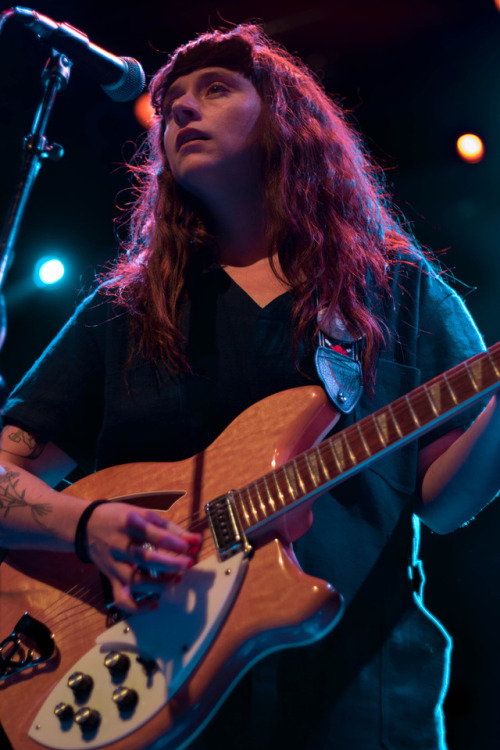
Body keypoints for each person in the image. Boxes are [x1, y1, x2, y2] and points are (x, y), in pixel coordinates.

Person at [0, 23, 499, 750]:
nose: (180, 111)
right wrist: (84, 526)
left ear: (285, 120)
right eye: (170, 104)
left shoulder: (394, 288)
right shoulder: (128, 310)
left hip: (358, 700)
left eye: (215, 89)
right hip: (147, 699)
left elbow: (447, 503)